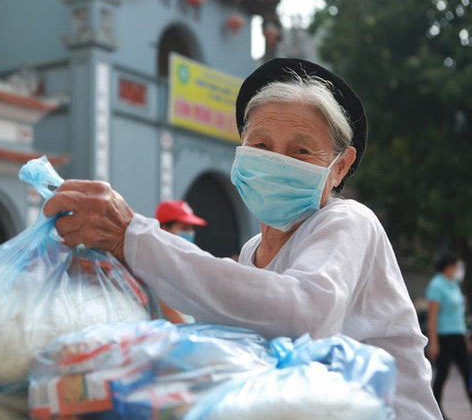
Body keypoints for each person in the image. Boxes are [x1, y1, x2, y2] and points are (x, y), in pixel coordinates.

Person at [43, 57, 441, 419]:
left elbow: (302, 315)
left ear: (340, 167)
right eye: (262, 146)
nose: (277, 162)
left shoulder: (349, 221)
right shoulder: (252, 252)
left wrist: (135, 238)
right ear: (242, 152)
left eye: (301, 151)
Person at [426, 253, 472, 416]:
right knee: (442, 374)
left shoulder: (453, 284)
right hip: (444, 336)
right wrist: (434, 342)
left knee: (468, 371)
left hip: (458, 335)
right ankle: (436, 411)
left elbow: (459, 314)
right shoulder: (437, 285)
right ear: (449, 266)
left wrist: (465, 338)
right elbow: (432, 316)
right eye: (456, 266)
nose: (458, 270)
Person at [155, 200, 207, 323]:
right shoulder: (157, 261)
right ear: (164, 228)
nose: (189, 233)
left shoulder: (188, 263)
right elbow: (168, 308)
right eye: (183, 228)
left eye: (191, 229)